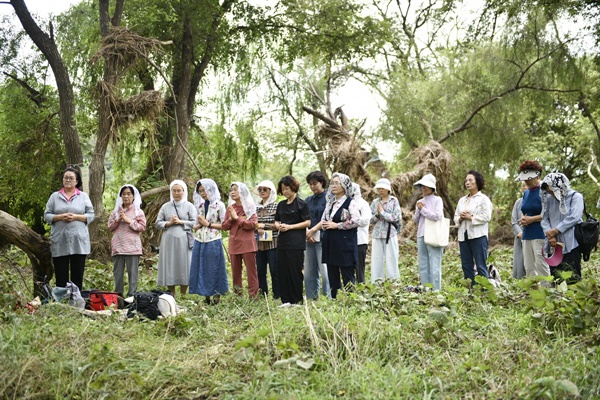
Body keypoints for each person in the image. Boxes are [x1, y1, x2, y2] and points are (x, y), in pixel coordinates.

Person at [44, 166, 94, 290]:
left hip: (78, 241)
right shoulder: (54, 197)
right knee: (61, 276)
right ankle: (62, 303)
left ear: (77, 181)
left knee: (77, 275)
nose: (68, 180)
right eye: (65, 178)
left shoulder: (83, 196)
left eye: (71, 178)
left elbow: (91, 215)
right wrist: (60, 217)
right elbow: (46, 215)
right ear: (62, 180)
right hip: (60, 240)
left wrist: (76, 217)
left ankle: (76, 302)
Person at [155, 180, 197, 298]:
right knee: (170, 264)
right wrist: (169, 223)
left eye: (179, 190)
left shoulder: (189, 206)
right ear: (171, 192)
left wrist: (180, 221)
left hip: (184, 241)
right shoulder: (165, 206)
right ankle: (171, 293)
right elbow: (158, 223)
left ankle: (183, 294)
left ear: (184, 191)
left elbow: (195, 223)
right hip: (168, 241)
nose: (176, 193)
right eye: (174, 191)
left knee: (184, 264)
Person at [321, 173, 360, 299]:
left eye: (337, 183)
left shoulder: (350, 202)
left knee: (347, 273)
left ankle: (350, 301)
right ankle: (335, 300)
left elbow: (356, 221)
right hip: (331, 242)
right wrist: (325, 225)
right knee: (332, 273)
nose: (334, 185)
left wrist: (337, 225)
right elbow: (323, 220)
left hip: (345, 243)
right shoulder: (330, 203)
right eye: (332, 183)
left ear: (345, 185)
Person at [189, 179, 228, 304]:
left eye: (204, 190)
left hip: (213, 240)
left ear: (211, 189)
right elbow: (194, 226)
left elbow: (225, 225)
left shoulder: (219, 205)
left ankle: (216, 296)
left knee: (214, 268)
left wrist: (208, 224)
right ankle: (206, 296)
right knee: (201, 267)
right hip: (200, 240)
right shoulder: (199, 206)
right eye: (200, 191)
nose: (202, 193)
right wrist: (200, 224)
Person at [274, 176, 311, 306]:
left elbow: (307, 222)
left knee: (294, 271)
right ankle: (286, 299)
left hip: (296, 243)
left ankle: (297, 299)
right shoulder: (281, 205)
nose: (285, 192)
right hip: (282, 242)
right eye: (283, 189)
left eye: (287, 188)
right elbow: (277, 220)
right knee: (282, 270)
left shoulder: (302, 204)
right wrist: (279, 226)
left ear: (293, 188)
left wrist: (290, 227)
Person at [540, 172, 584, 282]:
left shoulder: (576, 197)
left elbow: (574, 217)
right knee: (556, 276)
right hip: (553, 244)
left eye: (552, 191)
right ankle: (558, 298)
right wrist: (550, 235)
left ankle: (573, 298)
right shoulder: (549, 200)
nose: (551, 194)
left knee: (572, 275)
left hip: (572, 243)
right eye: (549, 192)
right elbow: (544, 218)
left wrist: (556, 230)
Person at [454, 170, 493, 285]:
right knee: (466, 265)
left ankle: (484, 290)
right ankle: (470, 290)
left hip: (478, 235)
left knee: (481, 265)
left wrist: (471, 217)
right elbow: (455, 217)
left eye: (470, 180)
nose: (467, 182)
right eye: (466, 180)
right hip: (463, 235)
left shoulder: (483, 199)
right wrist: (460, 218)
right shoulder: (462, 200)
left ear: (477, 182)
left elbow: (487, 216)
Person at [107, 184, 146, 297]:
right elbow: (109, 228)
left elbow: (142, 227)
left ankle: (131, 296)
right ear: (120, 196)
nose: (126, 196)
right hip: (118, 246)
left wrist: (129, 221)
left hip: (133, 247)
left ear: (133, 196)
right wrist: (118, 220)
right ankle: (118, 297)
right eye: (123, 194)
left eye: (129, 194)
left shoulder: (138, 212)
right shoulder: (115, 212)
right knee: (117, 273)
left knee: (132, 274)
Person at [221, 182, 259, 297]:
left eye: (236, 190)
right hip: (234, 243)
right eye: (231, 190)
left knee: (251, 272)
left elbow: (252, 224)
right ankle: (238, 296)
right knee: (235, 273)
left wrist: (237, 219)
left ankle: (253, 297)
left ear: (242, 191)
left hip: (247, 244)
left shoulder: (250, 206)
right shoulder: (230, 208)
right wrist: (231, 219)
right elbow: (224, 226)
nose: (233, 192)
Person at [516, 160, 550, 278]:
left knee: (541, 265)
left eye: (528, 178)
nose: (526, 181)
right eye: (524, 178)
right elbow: (526, 210)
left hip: (540, 233)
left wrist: (532, 219)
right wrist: (524, 219)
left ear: (537, 175)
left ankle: (546, 293)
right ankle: (533, 293)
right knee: (529, 267)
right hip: (527, 234)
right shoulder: (526, 193)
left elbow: (548, 213)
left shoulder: (544, 191)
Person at [413, 174, 444, 291]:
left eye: (426, 185)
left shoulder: (437, 200)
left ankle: (436, 291)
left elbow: (437, 216)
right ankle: (426, 289)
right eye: (422, 186)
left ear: (432, 187)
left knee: (435, 264)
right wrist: (418, 210)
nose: (424, 188)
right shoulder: (419, 201)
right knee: (423, 264)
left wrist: (423, 209)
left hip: (434, 235)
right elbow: (416, 220)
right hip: (421, 234)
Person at [369, 178, 402, 283]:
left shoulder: (394, 201)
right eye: (379, 188)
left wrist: (383, 212)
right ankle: (376, 283)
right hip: (377, 234)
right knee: (376, 259)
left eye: (383, 188)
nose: (381, 190)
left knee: (391, 258)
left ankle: (393, 283)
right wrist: (378, 215)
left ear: (388, 189)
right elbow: (370, 219)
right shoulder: (375, 202)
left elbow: (396, 217)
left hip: (390, 234)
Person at [304, 171, 330, 298]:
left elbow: (326, 218)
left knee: (325, 271)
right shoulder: (307, 200)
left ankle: (327, 298)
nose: (313, 186)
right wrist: (307, 233)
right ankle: (311, 298)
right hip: (308, 238)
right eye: (310, 184)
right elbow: (303, 218)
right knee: (309, 272)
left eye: (315, 183)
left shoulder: (329, 198)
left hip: (323, 237)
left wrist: (312, 231)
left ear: (322, 183)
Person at [254, 180, 279, 299]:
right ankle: (263, 295)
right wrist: (256, 227)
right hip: (258, 243)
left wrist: (264, 226)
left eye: (265, 189)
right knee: (260, 270)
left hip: (273, 243)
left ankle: (277, 295)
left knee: (275, 270)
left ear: (271, 191)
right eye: (260, 189)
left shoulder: (276, 206)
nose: (262, 192)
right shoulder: (255, 207)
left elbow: (278, 225)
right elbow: (251, 223)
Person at [351, 182, 372, 284]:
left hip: (360, 240)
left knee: (359, 266)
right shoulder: (345, 203)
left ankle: (361, 287)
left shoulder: (363, 204)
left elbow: (365, 220)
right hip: (348, 239)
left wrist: (351, 222)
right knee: (348, 266)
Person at [511, 181, 527, 279]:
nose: (525, 187)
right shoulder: (518, 202)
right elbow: (514, 221)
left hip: (532, 235)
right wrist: (519, 232)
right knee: (519, 260)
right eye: (523, 186)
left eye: (527, 185)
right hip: (519, 236)